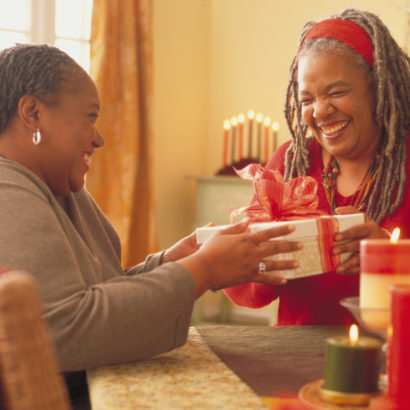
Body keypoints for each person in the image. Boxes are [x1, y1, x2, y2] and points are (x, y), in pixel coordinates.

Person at [0, 43, 303, 406]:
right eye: (90, 117)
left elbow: (101, 293)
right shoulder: (7, 188)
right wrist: (201, 270)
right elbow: (63, 330)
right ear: (32, 113)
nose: (99, 139)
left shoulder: (56, 184)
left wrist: (169, 263)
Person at [224, 8, 410, 326]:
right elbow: (245, 293)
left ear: (378, 88)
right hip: (295, 361)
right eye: (307, 99)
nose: (321, 112)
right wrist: (261, 264)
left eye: (336, 92)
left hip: (393, 356)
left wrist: (393, 259)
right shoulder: (290, 162)